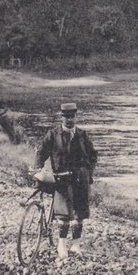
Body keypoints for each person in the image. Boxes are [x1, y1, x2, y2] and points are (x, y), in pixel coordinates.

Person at [35, 102, 98, 264]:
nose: (70, 120)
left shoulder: (83, 135)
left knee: (80, 213)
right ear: (62, 117)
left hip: (81, 178)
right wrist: (37, 168)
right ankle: (61, 245)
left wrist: (88, 173)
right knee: (63, 214)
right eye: (66, 117)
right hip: (62, 178)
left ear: (76, 117)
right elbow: (41, 152)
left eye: (72, 116)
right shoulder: (53, 135)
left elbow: (93, 155)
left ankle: (76, 245)